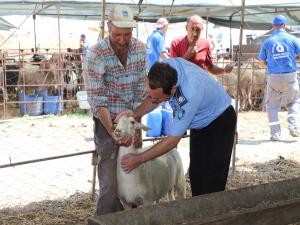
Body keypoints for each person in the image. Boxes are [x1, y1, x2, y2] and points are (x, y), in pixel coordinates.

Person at [116, 57, 237, 197]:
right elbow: (153, 98)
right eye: (150, 95)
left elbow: (172, 141)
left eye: (158, 99)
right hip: (200, 122)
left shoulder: (190, 93)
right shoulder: (164, 69)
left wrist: (139, 159)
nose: (153, 101)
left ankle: (213, 216)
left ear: (173, 89)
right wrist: (134, 113)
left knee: (212, 180)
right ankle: (200, 213)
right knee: (197, 174)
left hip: (220, 122)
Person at [83, 4, 147, 215]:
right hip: (107, 121)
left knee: (132, 174)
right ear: (108, 27)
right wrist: (114, 131)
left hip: (131, 119)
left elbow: (141, 91)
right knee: (110, 182)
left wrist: (136, 126)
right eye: (117, 34)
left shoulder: (139, 49)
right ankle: (105, 219)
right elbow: (96, 98)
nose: (122, 40)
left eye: (127, 34)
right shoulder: (97, 53)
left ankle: (131, 216)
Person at [258, 15, 300, 141]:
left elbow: (261, 62)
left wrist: (270, 63)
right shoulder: (293, 39)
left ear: (273, 27)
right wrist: (294, 59)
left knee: (272, 105)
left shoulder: (267, 42)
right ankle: (294, 128)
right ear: (285, 26)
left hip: (273, 77)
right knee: (293, 102)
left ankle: (276, 134)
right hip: (290, 76)